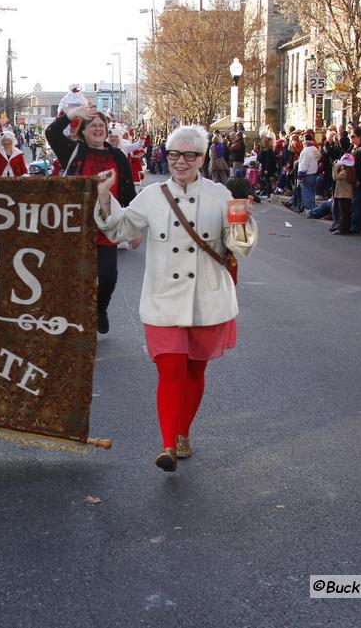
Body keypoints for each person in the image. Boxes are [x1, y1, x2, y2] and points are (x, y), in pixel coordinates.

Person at [93, 124, 256, 472]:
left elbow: (239, 247)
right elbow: (120, 228)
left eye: (189, 155)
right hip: (164, 300)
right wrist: (105, 196)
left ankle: (182, 432)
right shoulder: (152, 195)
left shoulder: (219, 194)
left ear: (202, 157)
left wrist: (243, 222)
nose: (181, 162)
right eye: (174, 154)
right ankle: (167, 444)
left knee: (194, 372)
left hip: (207, 300)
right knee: (170, 371)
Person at [46, 105, 137, 335]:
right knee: (75, 280)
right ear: (83, 131)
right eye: (92, 125)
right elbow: (51, 133)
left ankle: (100, 309)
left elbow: (128, 193)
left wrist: (135, 228)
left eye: (101, 125)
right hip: (77, 228)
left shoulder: (117, 156)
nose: (98, 128)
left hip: (107, 226)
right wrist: (73, 114)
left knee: (108, 277)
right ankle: (74, 323)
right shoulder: (73, 152)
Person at [331, 152, 355, 235]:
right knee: (346, 213)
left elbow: (335, 177)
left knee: (343, 213)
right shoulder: (351, 171)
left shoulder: (345, 172)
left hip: (343, 194)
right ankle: (345, 228)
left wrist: (335, 167)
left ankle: (342, 229)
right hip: (346, 195)